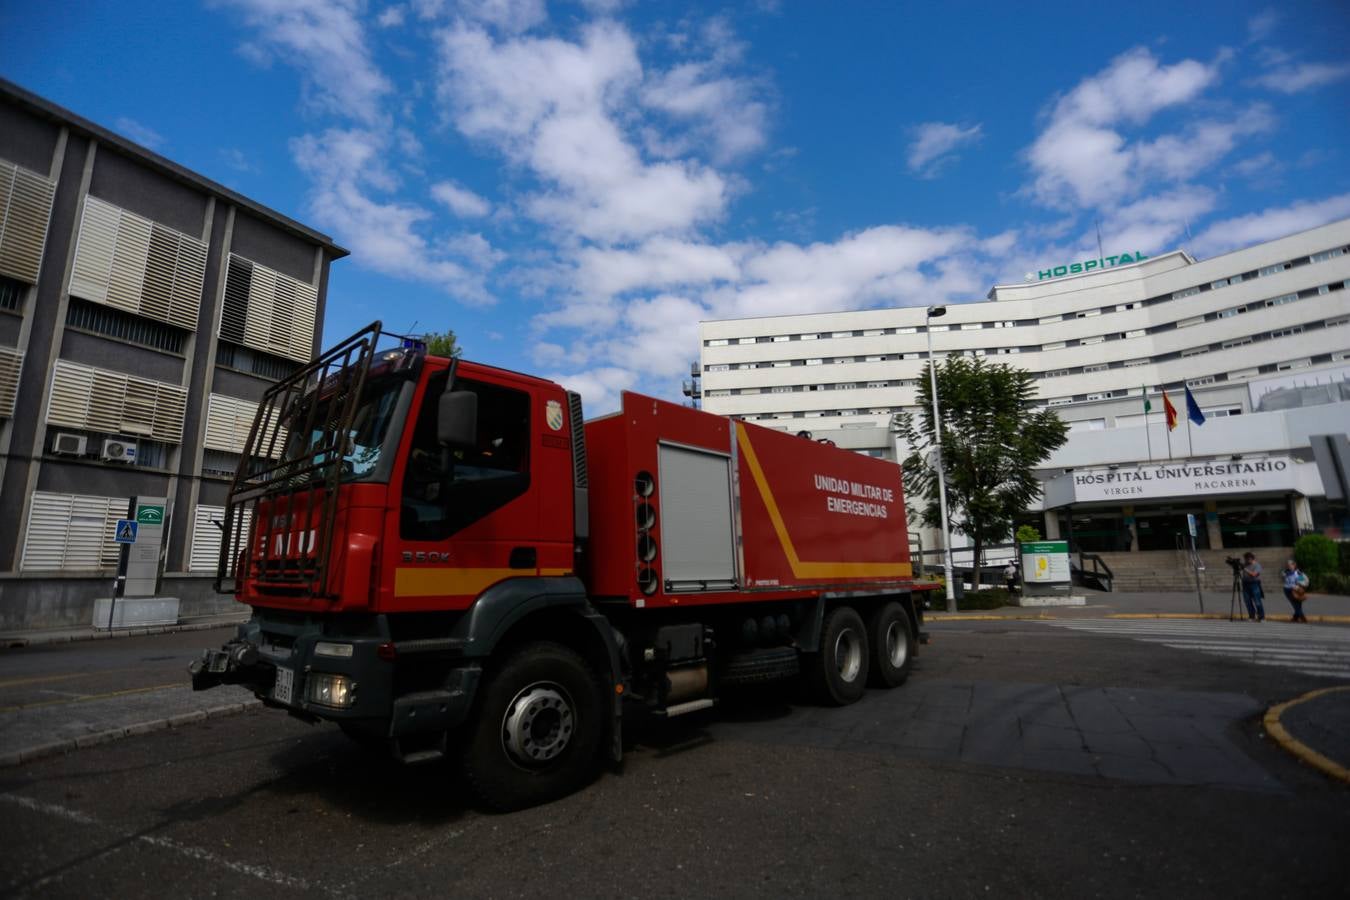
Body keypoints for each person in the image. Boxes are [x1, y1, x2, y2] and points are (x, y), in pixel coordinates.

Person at [1281, 559, 1310, 623]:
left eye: (1291, 564)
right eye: (1288, 565)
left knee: (1298, 605)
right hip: (1288, 590)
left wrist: (1298, 585)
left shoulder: (1298, 573)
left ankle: (1295, 617)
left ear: (1294, 565)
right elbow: (1284, 579)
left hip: (1296, 590)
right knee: (1295, 604)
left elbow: (1302, 581)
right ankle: (1303, 618)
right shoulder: (1285, 572)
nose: (1289, 566)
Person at [1240, 551, 1265, 622]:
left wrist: (1244, 569)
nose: (1246, 560)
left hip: (1254, 584)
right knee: (1247, 601)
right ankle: (1252, 616)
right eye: (1245, 559)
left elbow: (1254, 574)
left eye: (1247, 559)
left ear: (1251, 558)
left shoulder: (1257, 565)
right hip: (1245, 584)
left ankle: (1261, 617)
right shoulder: (1245, 564)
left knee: (1257, 601)